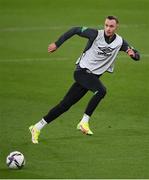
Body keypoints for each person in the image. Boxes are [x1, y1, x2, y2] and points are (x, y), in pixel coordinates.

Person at [29, 15, 140, 144]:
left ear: (116, 27)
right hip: (82, 72)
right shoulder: (95, 34)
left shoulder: (119, 42)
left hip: (91, 77)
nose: (108, 28)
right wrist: (57, 44)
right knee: (101, 91)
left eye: (111, 26)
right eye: (106, 25)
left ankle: (37, 127)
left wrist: (133, 55)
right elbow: (75, 30)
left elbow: (136, 54)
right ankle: (84, 122)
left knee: (64, 105)